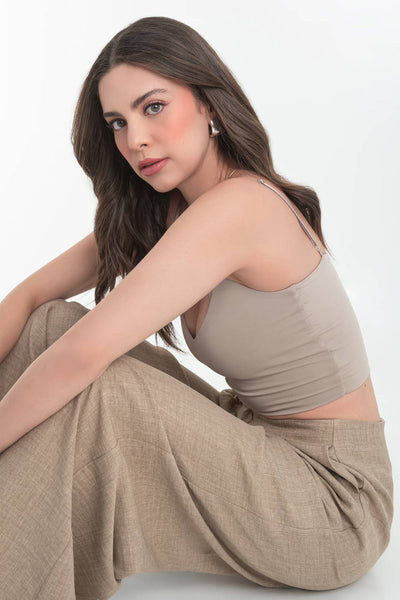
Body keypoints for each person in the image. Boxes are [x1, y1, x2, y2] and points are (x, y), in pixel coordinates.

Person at [0, 15, 393, 598]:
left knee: (101, 384)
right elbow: (31, 298)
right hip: (254, 436)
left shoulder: (242, 206)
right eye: (118, 122)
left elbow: (84, 357)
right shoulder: (166, 212)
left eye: (153, 107)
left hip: (333, 498)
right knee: (51, 325)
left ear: (208, 103)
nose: (135, 139)